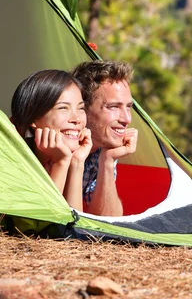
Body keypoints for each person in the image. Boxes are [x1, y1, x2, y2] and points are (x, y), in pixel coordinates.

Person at [11, 69, 92, 211]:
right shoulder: (16, 164)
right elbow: (41, 226)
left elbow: (74, 227)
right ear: (34, 117)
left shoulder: (67, 158)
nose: (77, 119)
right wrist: (60, 163)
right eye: (63, 108)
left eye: (81, 108)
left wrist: (77, 163)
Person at [71, 61, 138, 217]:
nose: (127, 119)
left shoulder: (102, 147)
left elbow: (109, 220)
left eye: (128, 107)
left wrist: (107, 160)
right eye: (114, 107)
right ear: (83, 109)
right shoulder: (57, 143)